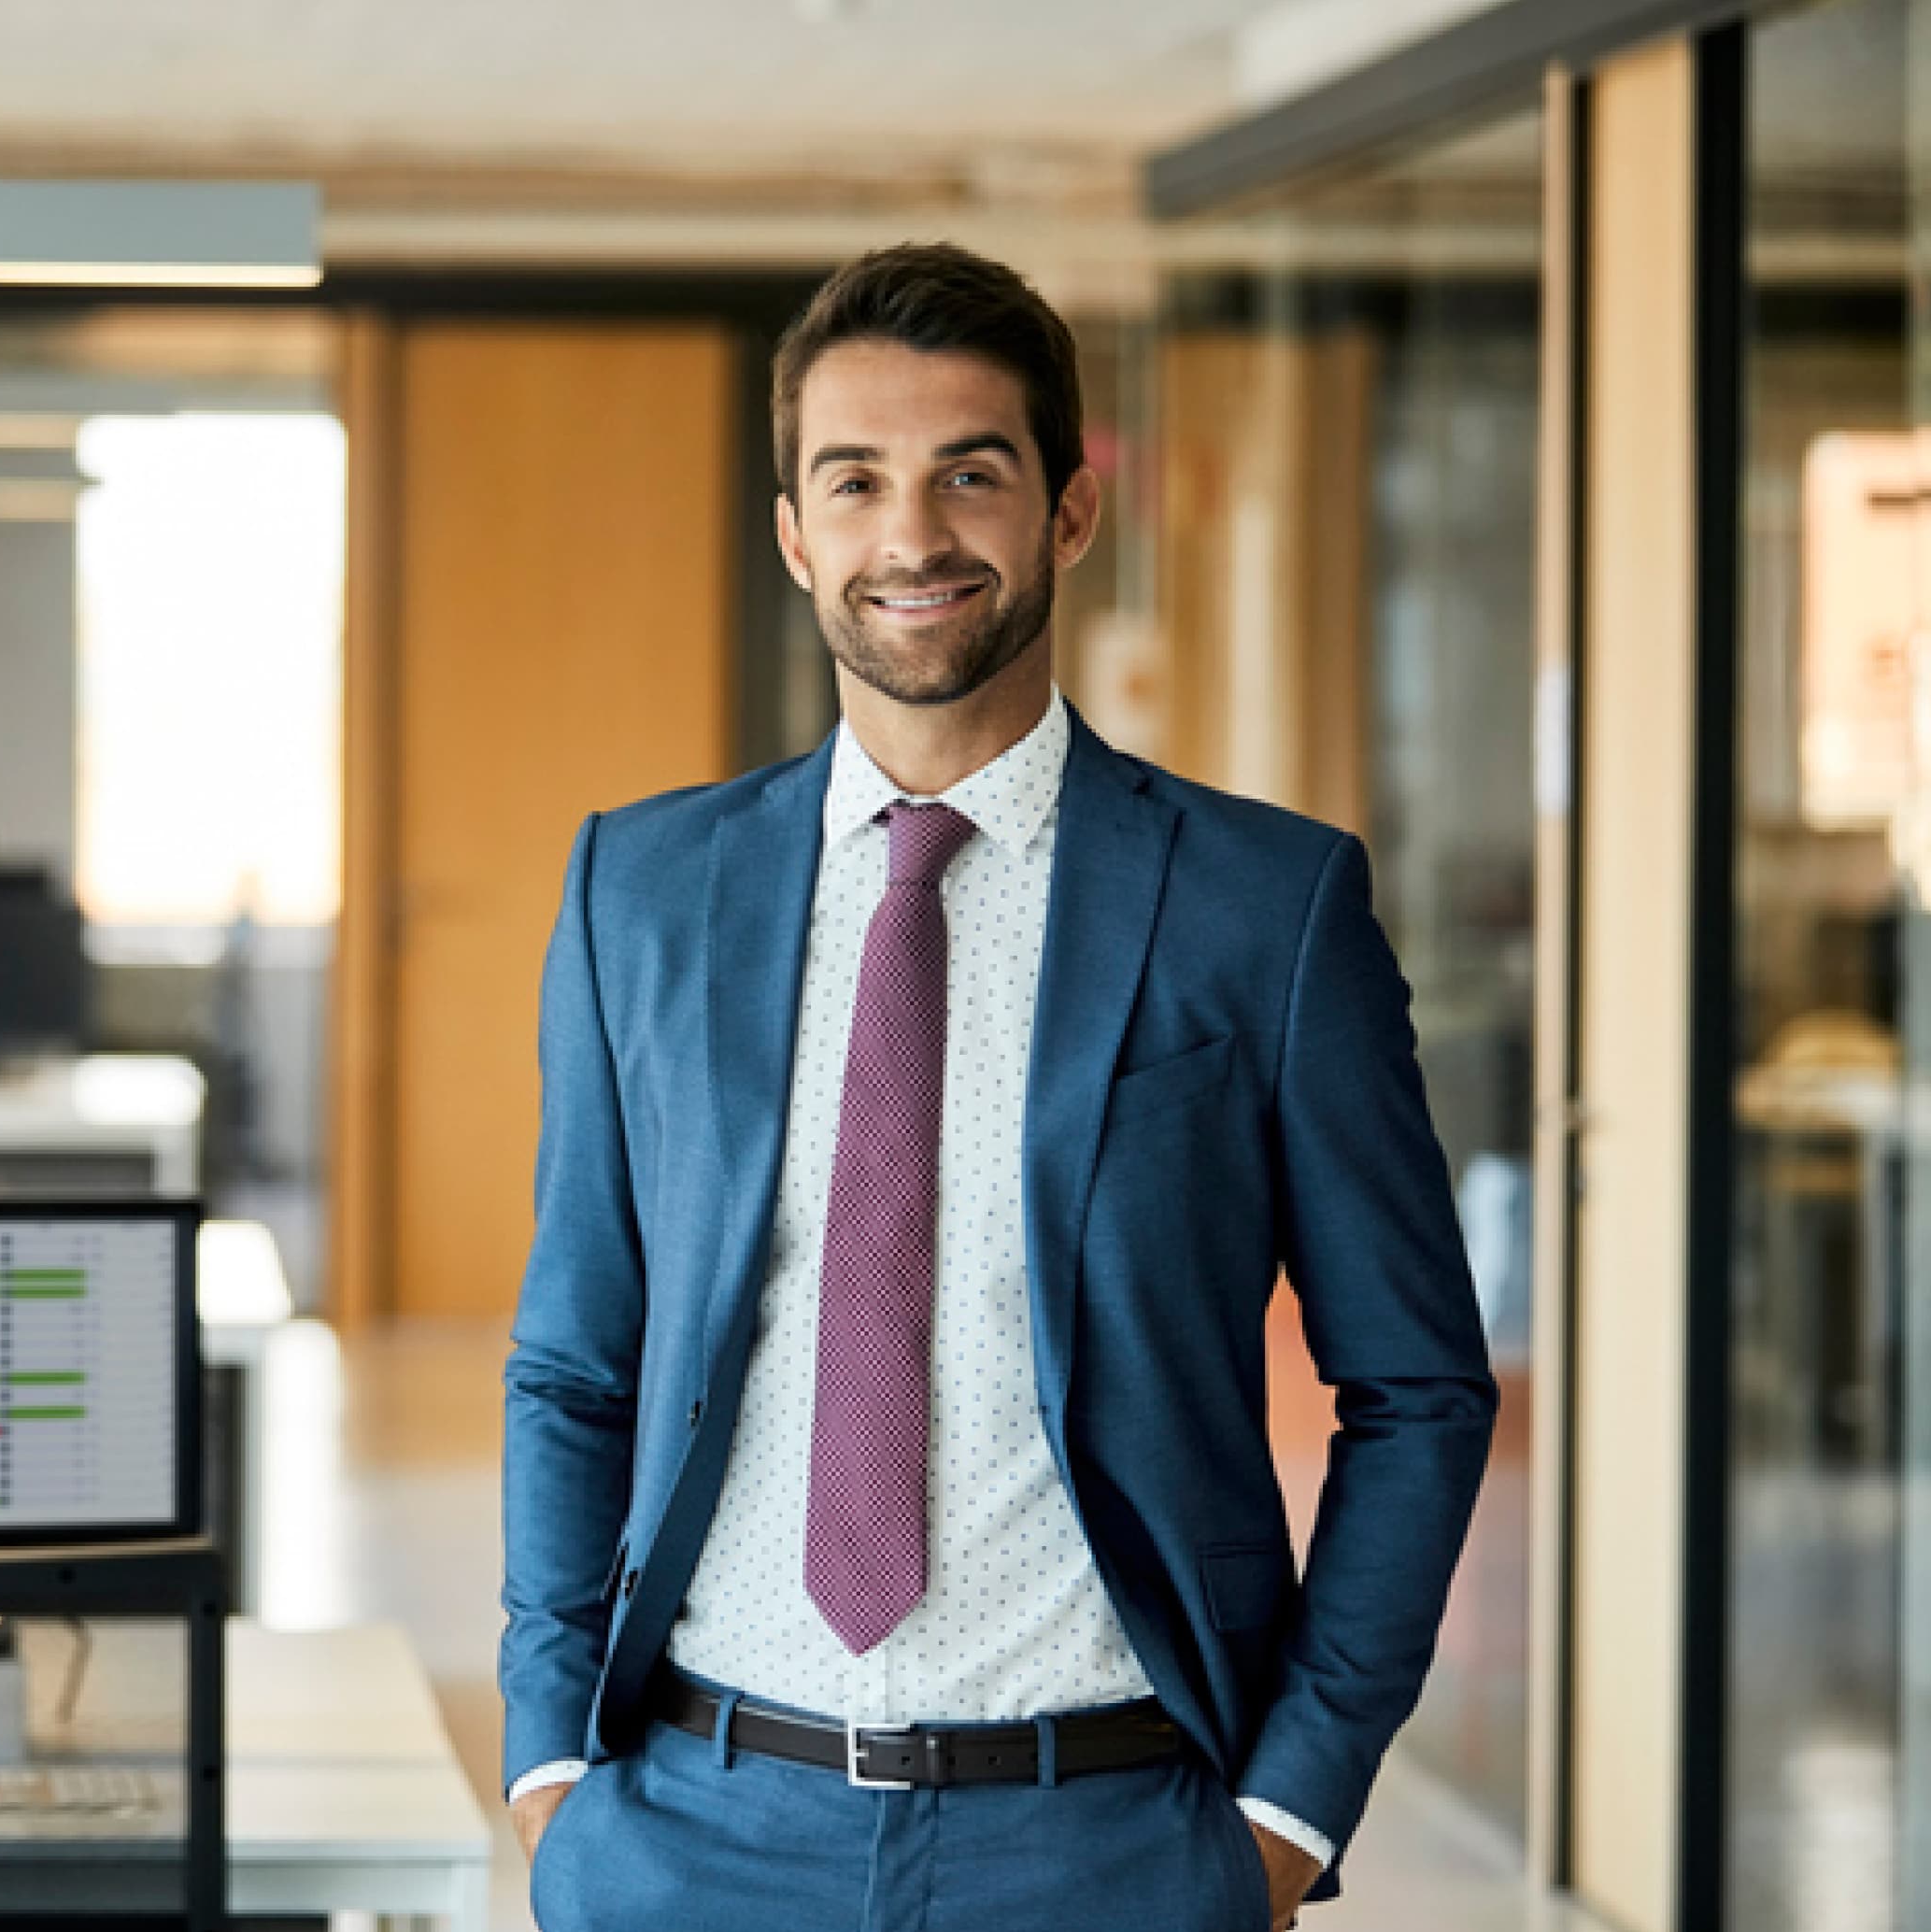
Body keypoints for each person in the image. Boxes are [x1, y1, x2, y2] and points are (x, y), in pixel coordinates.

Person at [498, 242, 1498, 1932]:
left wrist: (1288, 1809)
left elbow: (1416, 1390)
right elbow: (575, 1359)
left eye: (973, 473)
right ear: (795, 534)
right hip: (699, 1830)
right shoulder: (641, 894)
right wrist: (551, 1776)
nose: (914, 536)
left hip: (1106, 1839)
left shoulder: (1267, 909)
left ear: (1070, 514)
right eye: (857, 481)